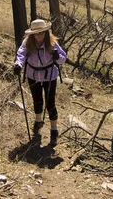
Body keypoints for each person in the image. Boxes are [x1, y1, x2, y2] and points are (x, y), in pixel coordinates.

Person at [13, 19, 66, 147]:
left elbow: (63, 57)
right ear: (32, 34)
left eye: (41, 33)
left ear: (46, 32)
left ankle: (54, 131)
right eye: (36, 33)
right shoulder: (27, 42)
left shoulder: (52, 42)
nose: (39, 36)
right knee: (37, 100)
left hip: (49, 76)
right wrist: (18, 65)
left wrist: (57, 58)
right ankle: (38, 122)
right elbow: (21, 54)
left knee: (50, 103)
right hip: (33, 75)